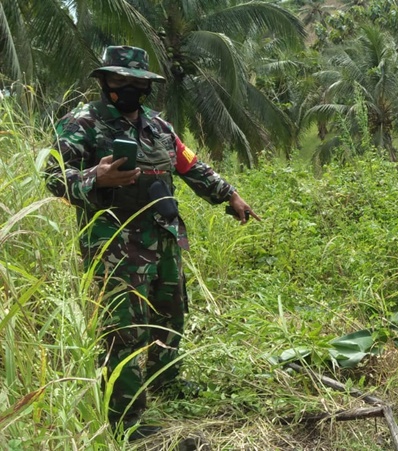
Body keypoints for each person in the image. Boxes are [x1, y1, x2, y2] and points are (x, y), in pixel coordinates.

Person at [44, 46, 260, 440]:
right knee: (124, 329)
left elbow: (191, 166)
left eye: (137, 82)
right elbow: (55, 178)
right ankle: (127, 419)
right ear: (105, 81)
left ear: (148, 86)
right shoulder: (82, 123)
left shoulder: (159, 127)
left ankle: (165, 379)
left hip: (162, 235)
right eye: (120, 81)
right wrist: (96, 178)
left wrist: (229, 195)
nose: (129, 88)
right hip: (113, 243)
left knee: (170, 312)